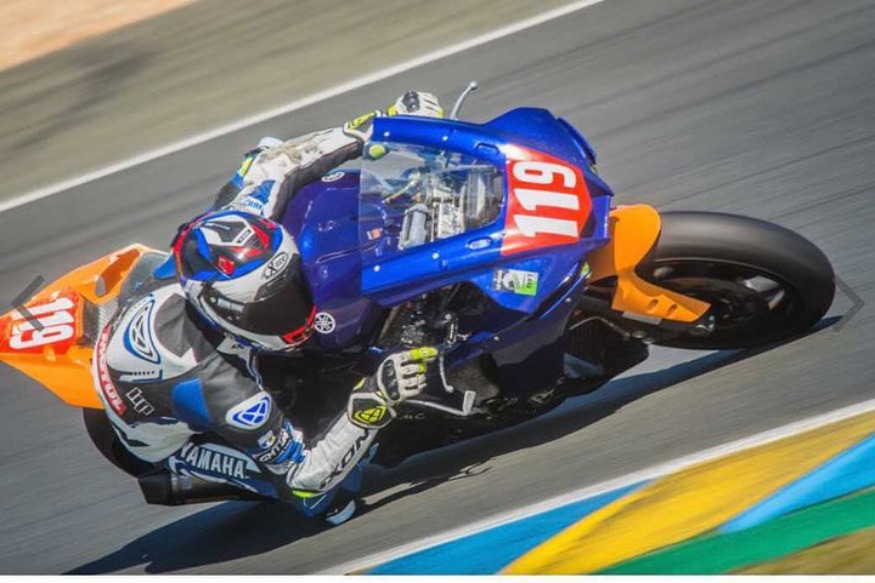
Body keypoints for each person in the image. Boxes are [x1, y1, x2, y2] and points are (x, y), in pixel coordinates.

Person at [92, 92, 444, 525]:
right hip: (162, 437)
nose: (295, 312)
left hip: (157, 306)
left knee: (278, 173)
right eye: (272, 308)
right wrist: (375, 401)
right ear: (226, 312)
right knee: (332, 501)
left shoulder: (244, 222)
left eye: (291, 286)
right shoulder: (228, 394)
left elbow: (274, 164)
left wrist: (377, 125)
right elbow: (304, 478)